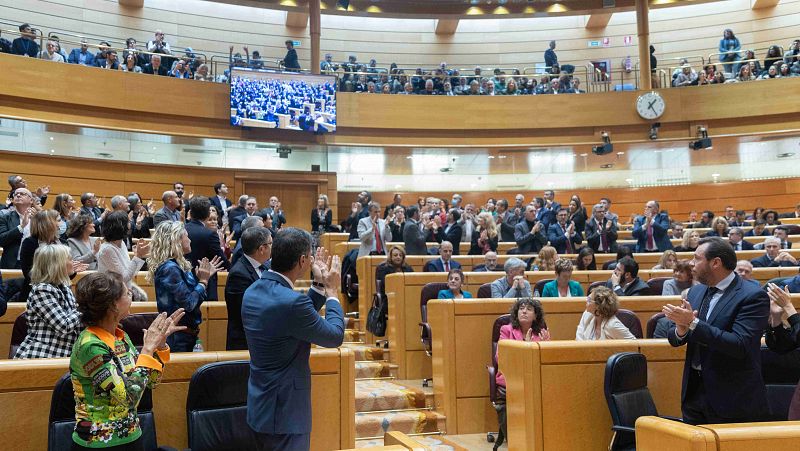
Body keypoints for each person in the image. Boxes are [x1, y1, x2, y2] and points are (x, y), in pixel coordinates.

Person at [242, 231, 344, 450]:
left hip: (260, 405)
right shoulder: (293, 303)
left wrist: (318, 284)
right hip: (286, 412)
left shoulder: (252, 291)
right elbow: (334, 336)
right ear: (302, 261)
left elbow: (293, 321)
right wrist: (332, 292)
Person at [69, 272, 182, 450]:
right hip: (99, 443)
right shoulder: (90, 346)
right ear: (113, 305)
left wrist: (158, 348)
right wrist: (146, 349)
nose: (131, 293)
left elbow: (150, 382)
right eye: (126, 292)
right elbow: (129, 398)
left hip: (130, 436)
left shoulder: (120, 337)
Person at [663, 237, 770, 424]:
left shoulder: (752, 296)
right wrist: (681, 329)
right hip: (694, 391)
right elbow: (675, 337)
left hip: (732, 397)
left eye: (697, 258)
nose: (691, 263)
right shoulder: (695, 292)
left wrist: (693, 323)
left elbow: (739, 344)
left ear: (716, 263)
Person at [148, 221, 224, 352]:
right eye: (186, 236)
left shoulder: (179, 265)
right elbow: (188, 303)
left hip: (186, 333)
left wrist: (201, 280)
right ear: (176, 240)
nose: (189, 240)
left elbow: (196, 301)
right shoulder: (170, 268)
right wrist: (203, 282)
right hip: (177, 336)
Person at [493, 297, 550, 449]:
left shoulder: (542, 333)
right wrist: (525, 345)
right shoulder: (506, 330)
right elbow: (500, 357)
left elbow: (547, 361)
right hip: (511, 379)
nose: (524, 311)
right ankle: (515, 443)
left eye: (529, 309)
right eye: (521, 308)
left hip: (534, 379)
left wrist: (544, 346)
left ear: (536, 315)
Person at [14, 244, 82, 359]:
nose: (73, 262)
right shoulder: (42, 290)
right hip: (42, 354)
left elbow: (74, 319)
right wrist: (86, 307)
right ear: (57, 264)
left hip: (64, 353)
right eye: (69, 259)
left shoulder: (64, 287)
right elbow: (63, 326)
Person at [225, 227, 272, 351]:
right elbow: (247, 313)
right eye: (271, 243)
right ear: (262, 249)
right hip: (245, 342)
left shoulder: (266, 267)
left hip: (262, 339)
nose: (273, 247)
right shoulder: (239, 274)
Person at [185, 197, 231, 301]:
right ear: (207, 215)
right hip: (204, 282)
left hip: (182, 280)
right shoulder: (209, 234)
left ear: (190, 213)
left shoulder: (180, 230)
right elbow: (221, 261)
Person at [97, 211, 149, 300]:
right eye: (128, 222)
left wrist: (138, 256)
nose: (130, 224)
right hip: (113, 295)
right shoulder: (107, 250)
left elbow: (132, 273)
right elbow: (123, 278)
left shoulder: (121, 243)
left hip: (123, 291)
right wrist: (138, 256)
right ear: (120, 226)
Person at [19, 210, 68, 302]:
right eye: (58, 220)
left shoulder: (64, 242)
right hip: (36, 293)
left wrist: (72, 270)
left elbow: (67, 274)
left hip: (61, 292)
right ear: (48, 223)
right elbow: (29, 274)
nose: (61, 223)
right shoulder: (30, 243)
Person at [0, 187, 35, 269]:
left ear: (31, 200)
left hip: (34, 263)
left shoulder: (37, 218)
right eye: (16, 194)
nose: (18, 195)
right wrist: (21, 226)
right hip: (12, 263)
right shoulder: (5, 217)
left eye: (22, 194)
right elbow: (1, 239)